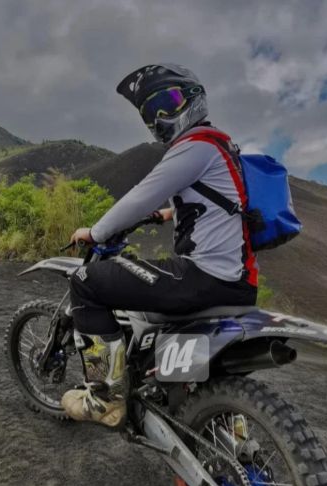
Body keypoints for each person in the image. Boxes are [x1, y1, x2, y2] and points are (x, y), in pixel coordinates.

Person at [61, 63, 258, 427]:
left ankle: (105, 399)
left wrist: (98, 231)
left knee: (86, 281)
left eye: (169, 101)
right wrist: (167, 214)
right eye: (151, 110)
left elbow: (141, 194)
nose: (161, 115)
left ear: (194, 99)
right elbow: (219, 201)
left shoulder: (195, 145)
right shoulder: (222, 146)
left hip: (204, 278)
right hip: (238, 281)